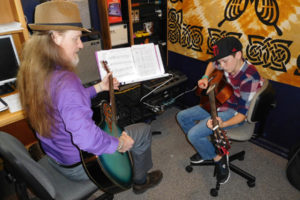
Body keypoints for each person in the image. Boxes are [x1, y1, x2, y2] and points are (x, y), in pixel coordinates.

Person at [17, 1, 162, 194]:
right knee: (142, 131)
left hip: (56, 156)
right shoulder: (66, 82)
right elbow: (85, 139)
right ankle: (140, 181)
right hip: (82, 165)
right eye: (76, 39)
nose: (80, 45)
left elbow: (63, 103)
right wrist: (118, 143)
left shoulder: (32, 69)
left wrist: (99, 87)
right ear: (56, 38)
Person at [176, 36, 264, 184]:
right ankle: (207, 150)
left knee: (193, 135)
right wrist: (205, 77)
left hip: (234, 113)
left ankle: (219, 158)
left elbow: (242, 115)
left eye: (225, 61)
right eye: (221, 61)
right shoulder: (227, 62)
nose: (221, 66)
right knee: (181, 116)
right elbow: (212, 63)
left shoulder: (249, 78)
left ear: (238, 55)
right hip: (221, 101)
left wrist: (221, 125)